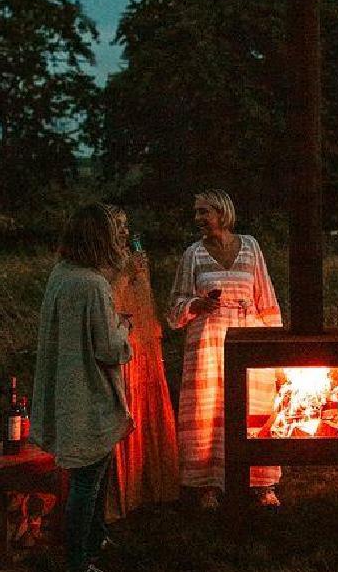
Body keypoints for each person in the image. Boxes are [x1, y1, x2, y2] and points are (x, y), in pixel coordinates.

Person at [30, 202, 133, 572]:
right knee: (87, 480)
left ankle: (95, 537)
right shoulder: (92, 285)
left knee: (94, 472)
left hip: (66, 388)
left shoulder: (61, 274)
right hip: (87, 395)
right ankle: (79, 561)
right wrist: (125, 330)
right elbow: (109, 348)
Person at [168, 189, 282, 510]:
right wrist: (196, 304)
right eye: (196, 212)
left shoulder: (250, 247)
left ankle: (261, 482)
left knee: (251, 408)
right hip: (207, 340)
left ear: (221, 212)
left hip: (247, 335)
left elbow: (266, 297)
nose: (198, 219)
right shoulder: (193, 254)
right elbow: (174, 307)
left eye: (204, 212)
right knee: (210, 412)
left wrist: (275, 349)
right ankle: (209, 484)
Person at [107, 208, 179, 515]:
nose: (124, 232)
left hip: (146, 341)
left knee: (149, 408)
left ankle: (152, 486)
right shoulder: (102, 265)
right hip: (123, 342)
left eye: (126, 226)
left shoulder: (131, 257)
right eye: (118, 227)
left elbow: (144, 300)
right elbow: (109, 303)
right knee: (127, 410)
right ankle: (125, 493)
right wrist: (126, 274)